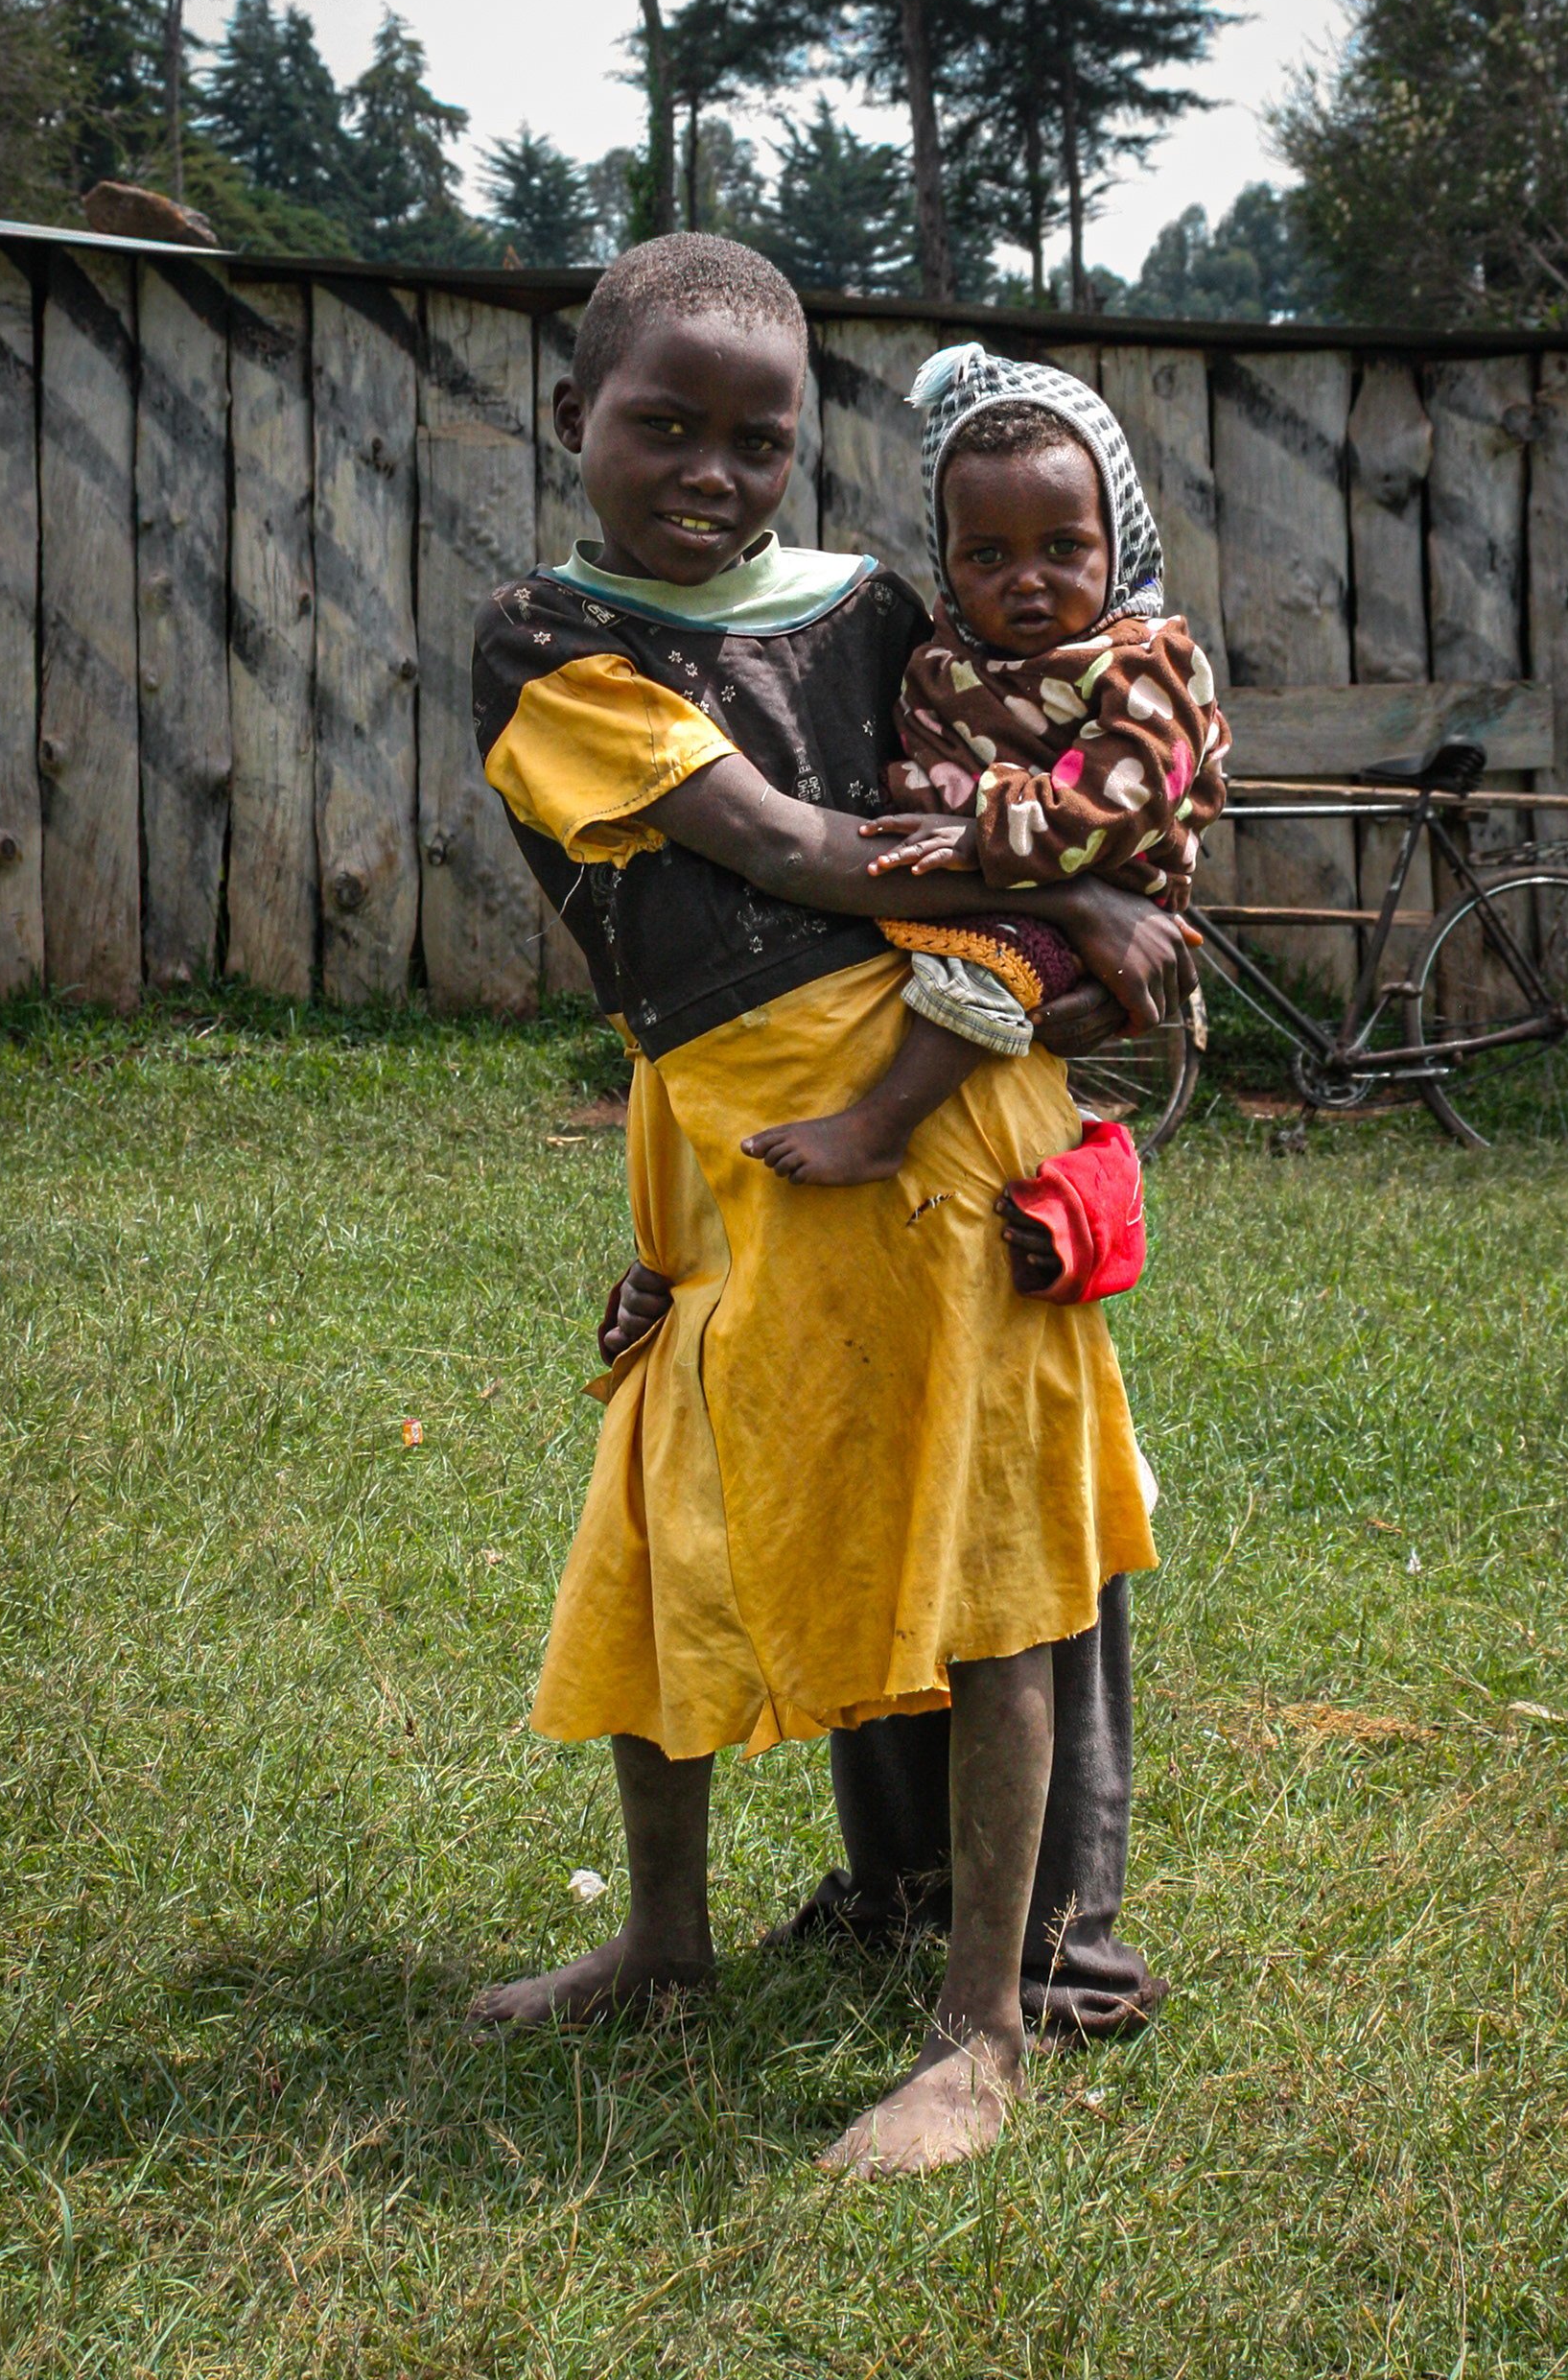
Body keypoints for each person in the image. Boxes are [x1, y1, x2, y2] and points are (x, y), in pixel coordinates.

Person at [469, 233, 1193, 2176]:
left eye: (758, 441)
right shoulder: (548, 639)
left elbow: (1090, 762)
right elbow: (775, 845)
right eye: (664, 428)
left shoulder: (887, 610)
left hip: (943, 1134)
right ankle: (668, 1938)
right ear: (574, 422)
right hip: (728, 1144)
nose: (710, 472)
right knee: (668, 1528)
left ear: (804, 450)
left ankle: (989, 2021)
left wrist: (1088, 909)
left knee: (991, 1565)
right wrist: (1067, 899)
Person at [742, 341, 1229, 1189]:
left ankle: (882, 1127)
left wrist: (977, 836)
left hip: (1115, 885)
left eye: (1064, 547)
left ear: (1120, 537)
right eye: (988, 557)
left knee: (984, 963)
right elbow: (924, 763)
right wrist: (936, 808)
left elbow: (1125, 795)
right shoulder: (947, 662)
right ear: (947, 559)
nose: (1028, 582)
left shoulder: (1145, 662)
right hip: (1001, 867)